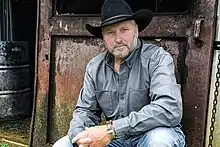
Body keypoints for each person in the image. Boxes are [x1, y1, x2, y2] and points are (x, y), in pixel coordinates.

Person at [53, 0, 185, 146]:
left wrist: (112, 130)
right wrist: (80, 137)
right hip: (116, 140)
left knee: (159, 140)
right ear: (103, 37)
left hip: (149, 134)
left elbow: (169, 108)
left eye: (124, 30)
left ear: (136, 30)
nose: (118, 39)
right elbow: (85, 111)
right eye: (110, 32)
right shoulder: (95, 67)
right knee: (63, 145)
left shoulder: (157, 58)